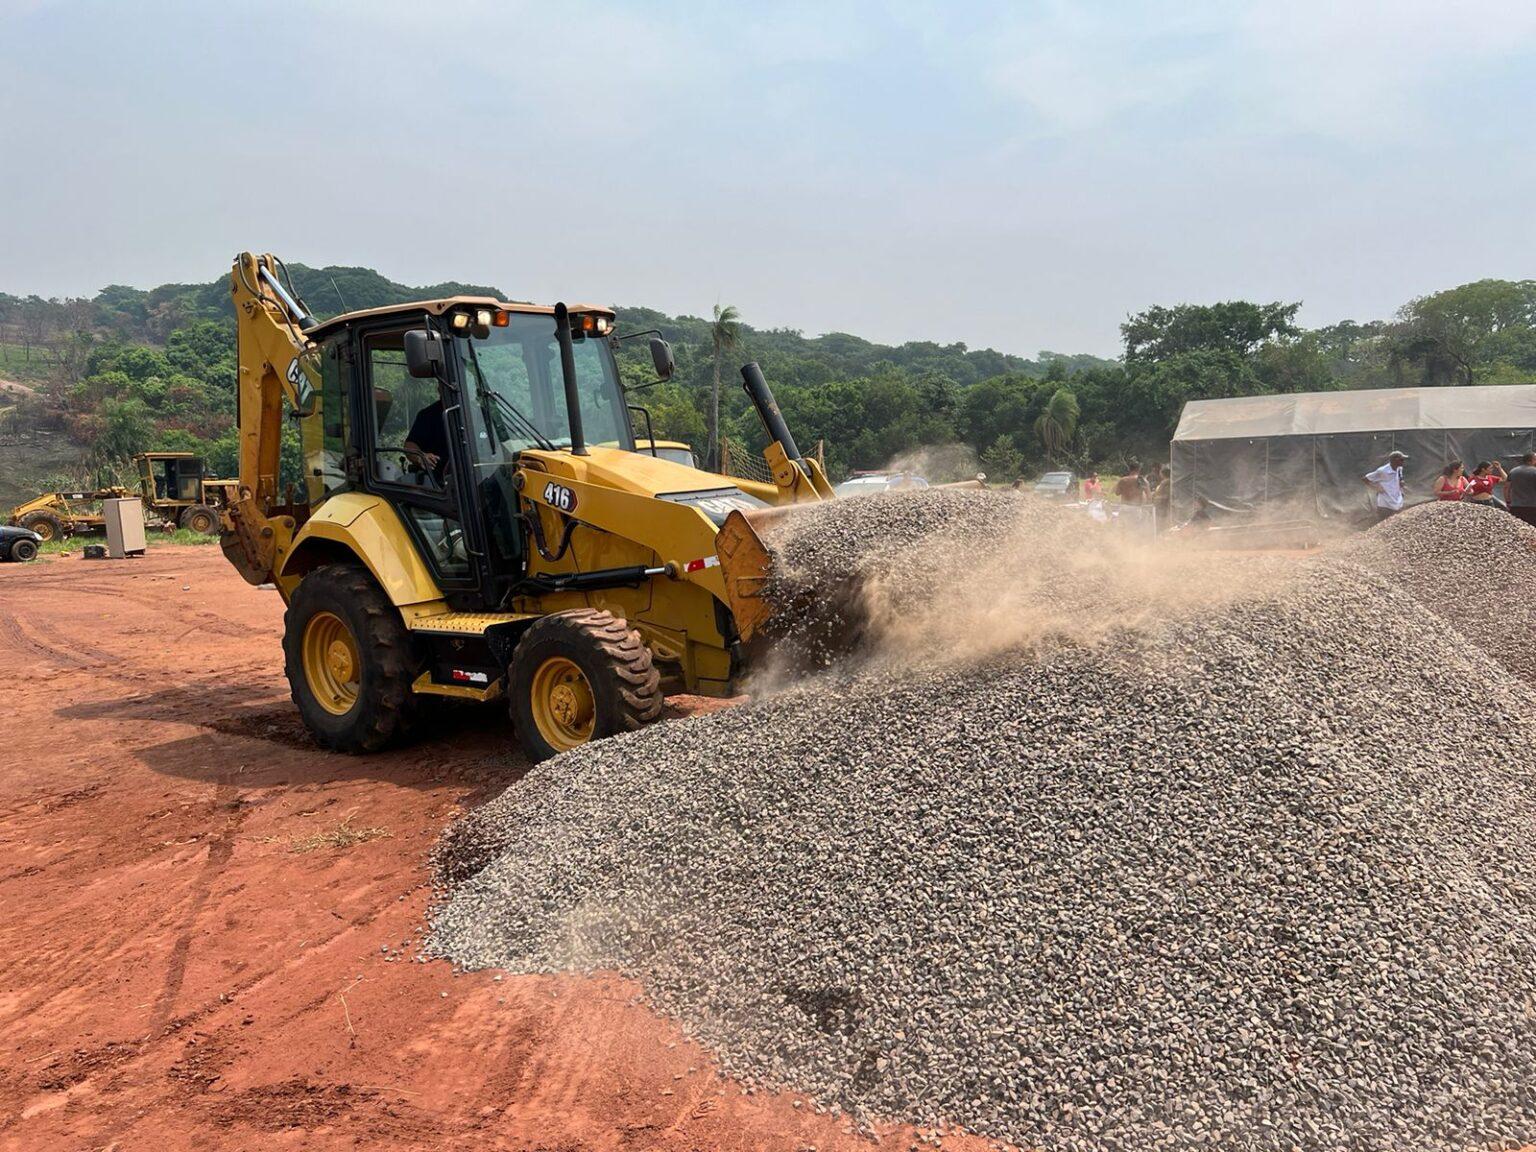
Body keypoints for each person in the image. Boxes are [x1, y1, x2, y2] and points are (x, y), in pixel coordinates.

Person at [404, 397, 449, 482]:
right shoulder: (428, 415)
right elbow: (409, 445)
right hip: (438, 485)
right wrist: (421, 457)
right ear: (439, 389)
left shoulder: (477, 413)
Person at [1362, 451, 1407, 520]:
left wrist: (1401, 481)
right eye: (1401, 460)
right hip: (1385, 505)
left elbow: (1400, 477)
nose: (1403, 461)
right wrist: (1376, 488)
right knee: (1384, 526)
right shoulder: (1382, 471)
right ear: (1395, 460)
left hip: (1398, 503)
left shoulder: (1399, 468)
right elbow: (1365, 479)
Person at [1505, 451, 1536, 526]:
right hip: (1532, 506)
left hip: (1516, 505)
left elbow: (1506, 488)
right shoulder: (1534, 472)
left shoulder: (1513, 471)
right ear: (1532, 460)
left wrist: (1508, 502)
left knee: (1517, 527)